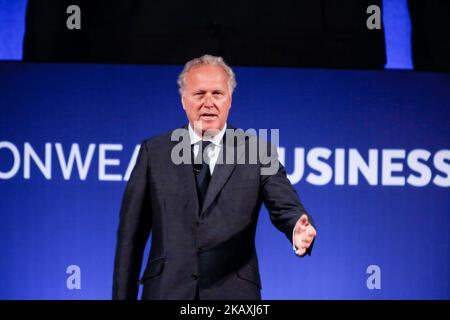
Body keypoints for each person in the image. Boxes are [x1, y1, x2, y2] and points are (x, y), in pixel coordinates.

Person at [112, 54, 316, 300]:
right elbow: (130, 240)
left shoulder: (257, 153)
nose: (208, 102)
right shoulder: (153, 153)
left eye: (217, 94)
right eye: (199, 94)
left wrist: (296, 229)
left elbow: (286, 207)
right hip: (166, 291)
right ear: (184, 101)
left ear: (229, 100)